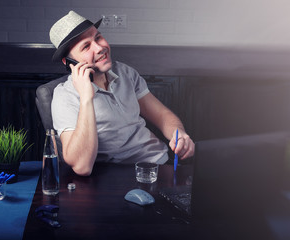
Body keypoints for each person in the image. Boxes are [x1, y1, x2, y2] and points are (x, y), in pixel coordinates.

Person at [49, 11, 194, 176]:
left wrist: (179, 134)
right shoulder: (64, 97)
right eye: (86, 47)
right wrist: (86, 98)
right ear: (69, 62)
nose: (100, 47)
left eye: (98, 38)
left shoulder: (125, 72)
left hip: (160, 163)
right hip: (119, 176)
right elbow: (82, 167)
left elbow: (161, 115)